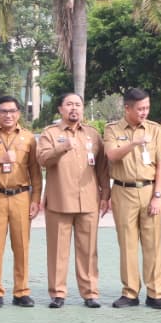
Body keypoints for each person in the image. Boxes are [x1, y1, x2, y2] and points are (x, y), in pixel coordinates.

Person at [36, 93, 109, 308]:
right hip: (60, 200)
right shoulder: (51, 133)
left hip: (88, 200)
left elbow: (103, 167)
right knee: (58, 250)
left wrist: (106, 194)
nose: (74, 109)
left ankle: (90, 293)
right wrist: (61, 148)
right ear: (60, 109)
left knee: (88, 250)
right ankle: (58, 293)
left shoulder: (93, 135)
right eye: (69, 105)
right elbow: (42, 159)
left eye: (77, 105)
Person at [103, 88, 161, 310]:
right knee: (128, 244)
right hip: (123, 191)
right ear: (127, 108)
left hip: (149, 190)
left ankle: (155, 292)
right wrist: (133, 143)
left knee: (152, 244)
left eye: (147, 107)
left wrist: (157, 196)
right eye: (140, 108)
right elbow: (111, 155)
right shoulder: (113, 130)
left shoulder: (155, 129)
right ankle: (130, 292)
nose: (144, 112)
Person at [0, 95, 42, 308]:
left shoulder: (29, 137)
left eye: (12, 111)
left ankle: (21, 291)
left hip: (21, 196)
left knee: (22, 245)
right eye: (3, 111)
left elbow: (35, 170)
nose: (8, 115)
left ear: (19, 114)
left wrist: (35, 198)